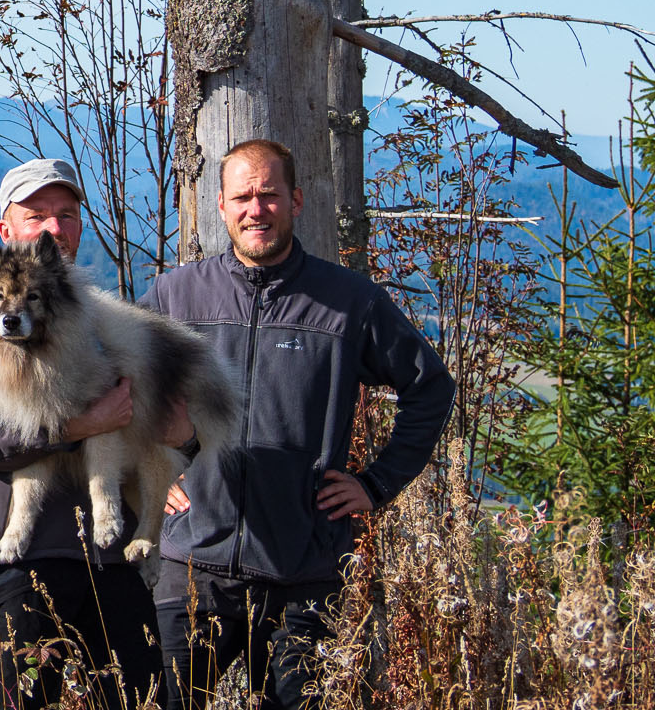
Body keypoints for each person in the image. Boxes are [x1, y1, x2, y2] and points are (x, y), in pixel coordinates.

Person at [142, 139, 454, 709]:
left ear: (296, 200)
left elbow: (429, 387)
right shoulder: (176, 296)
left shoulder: (348, 302)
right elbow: (126, 390)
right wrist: (149, 472)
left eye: (268, 195)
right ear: (220, 205)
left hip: (303, 571)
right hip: (193, 568)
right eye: (242, 197)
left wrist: (378, 483)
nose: (254, 210)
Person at [0, 158, 183, 710]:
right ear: (7, 231)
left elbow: (143, 417)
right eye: (37, 215)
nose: (54, 227)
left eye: (67, 215)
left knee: (142, 699)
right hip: (22, 562)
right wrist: (83, 426)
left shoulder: (91, 313)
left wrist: (176, 449)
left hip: (108, 558)